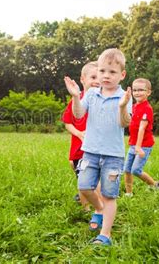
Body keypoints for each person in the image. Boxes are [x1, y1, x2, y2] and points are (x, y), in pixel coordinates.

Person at [64, 48, 132, 246]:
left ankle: (105, 235)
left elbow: (125, 123)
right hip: (90, 152)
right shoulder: (92, 94)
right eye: (102, 71)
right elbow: (78, 115)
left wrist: (122, 106)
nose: (106, 76)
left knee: (109, 195)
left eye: (112, 72)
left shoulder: (124, 97)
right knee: (84, 186)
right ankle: (100, 209)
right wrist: (76, 96)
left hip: (112, 156)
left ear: (122, 75)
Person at [61, 61, 99, 210]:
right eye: (93, 77)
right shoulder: (77, 100)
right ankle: (85, 208)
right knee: (83, 181)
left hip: (98, 150)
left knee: (97, 181)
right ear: (83, 79)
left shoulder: (104, 99)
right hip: (79, 150)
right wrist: (79, 134)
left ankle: (100, 208)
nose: (97, 81)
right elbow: (67, 122)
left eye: (100, 77)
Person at [123, 78, 159, 196]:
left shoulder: (147, 108)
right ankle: (129, 193)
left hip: (144, 145)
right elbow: (128, 120)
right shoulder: (134, 106)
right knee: (127, 169)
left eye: (141, 90)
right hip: (133, 144)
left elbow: (142, 128)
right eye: (135, 90)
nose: (137, 93)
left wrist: (138, 147)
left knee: (136, 170)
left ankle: (155, 185)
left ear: (148, 92)